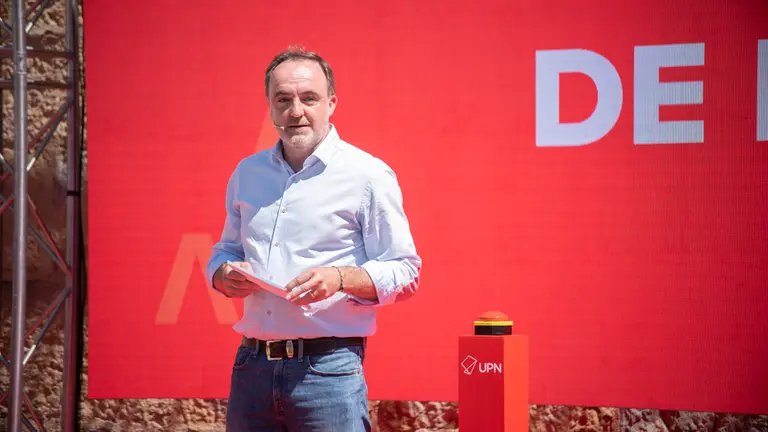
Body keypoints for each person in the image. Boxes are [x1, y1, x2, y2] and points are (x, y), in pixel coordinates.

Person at [205, 46, 422, 431]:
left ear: (332, 103)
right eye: (283, 99)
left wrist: (340, 278)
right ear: (270, 106)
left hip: (328, 373)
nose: (296, 110)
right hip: (252, 368)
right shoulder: (247, 173)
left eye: (309, 98)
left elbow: (405, 271)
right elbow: (226, 250)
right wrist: (223, 274)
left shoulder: (366, 175)